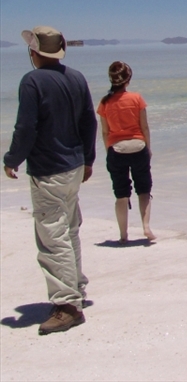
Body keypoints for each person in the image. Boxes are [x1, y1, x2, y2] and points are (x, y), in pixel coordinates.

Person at [3, 26, 97, 335]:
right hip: (73, 166)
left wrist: (12, 158)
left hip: (49, 169)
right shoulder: (76, 77)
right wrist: (88, 159)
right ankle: (76, 290)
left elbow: (26, 127)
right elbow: (89, 121)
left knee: (52, 238)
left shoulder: (32, 81)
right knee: (69, 232)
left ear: (34, 52)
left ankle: (67, 305)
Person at [96, 61, 154, 244]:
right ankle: (146, 226)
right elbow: (144, 126)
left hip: (117, 150)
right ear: (128, 80)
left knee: (121, 195)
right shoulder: (137, 99)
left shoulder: (105, 103)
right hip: (138, 147)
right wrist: (148, 148)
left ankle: (123, 235)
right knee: (143, 190)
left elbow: (105, 132)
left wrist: (109, 151)